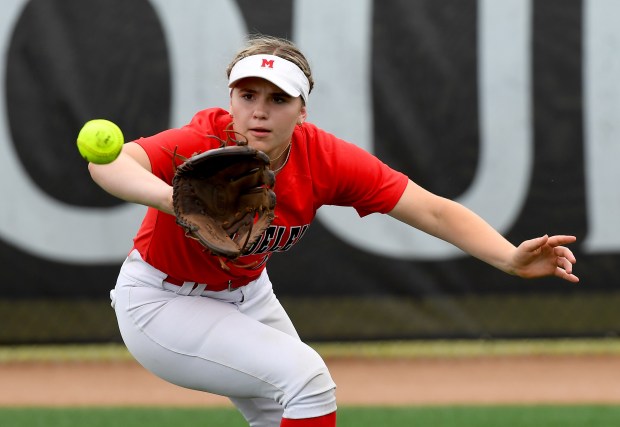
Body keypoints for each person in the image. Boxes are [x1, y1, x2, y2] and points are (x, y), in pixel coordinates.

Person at [88, 35, 579, 427]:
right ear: (231, 100)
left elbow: (429, 210)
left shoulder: (324, 158)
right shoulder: (202, 143)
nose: (260, 110)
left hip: (248, 295)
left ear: (303, 111)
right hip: (162, 301)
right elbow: (109, 163)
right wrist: (177, 199)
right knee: (306, 382)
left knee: (283, 410)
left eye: (279, 98)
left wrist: (507, 258)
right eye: (248, 94)